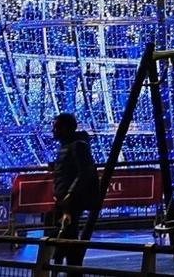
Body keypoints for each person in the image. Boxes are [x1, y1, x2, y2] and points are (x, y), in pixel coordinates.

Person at [50, 113, 99, 268]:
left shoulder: (77, 145)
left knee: (67, 240)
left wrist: (70, 195)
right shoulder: (67, 146)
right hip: (64, 200)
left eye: (56, 127)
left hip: (70, 202)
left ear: (65, 128)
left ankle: (68, 268)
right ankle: (65, 267)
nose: (53, 130)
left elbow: (85, 171)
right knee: (65, 240)